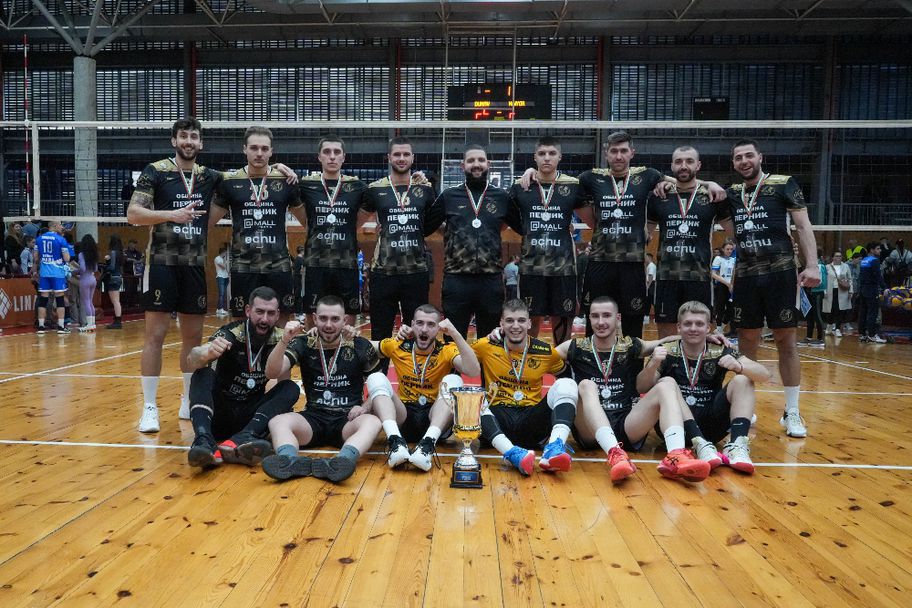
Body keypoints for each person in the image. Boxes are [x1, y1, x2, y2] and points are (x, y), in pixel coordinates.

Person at [126, 117, 224, 433]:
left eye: (194, 137)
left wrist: (280, 168)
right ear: (174, 141)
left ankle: (188, 399)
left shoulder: (210, 176)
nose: (189, 141)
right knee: (154, 336)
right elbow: (133, 214)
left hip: (194, 265)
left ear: (201, 143)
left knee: (193, 340)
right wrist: (172, 214)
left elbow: (247, 177)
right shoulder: (155, 171)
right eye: (183, 136)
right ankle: (149, 407)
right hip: (161, 263)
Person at [719, 139, 820, 438]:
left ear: (760, 157)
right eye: (738, 157)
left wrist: (812, 265)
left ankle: (792, 411)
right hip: (747, 275)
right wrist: (709, 183)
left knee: (786, 340)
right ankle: (746, 407)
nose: (744, 161)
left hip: (781, 273)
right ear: (734, 163)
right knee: (747, 341)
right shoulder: (732, 193)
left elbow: (803, 226)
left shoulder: (783, 184)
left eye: (749, 155)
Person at [556, 296, 711, 483]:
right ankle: (614, 453)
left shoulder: (631, 345)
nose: (601, 322)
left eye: (607, 315)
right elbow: (542, 356)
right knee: (586, 385)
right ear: (589, 319)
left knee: (667, 384)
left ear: (617, 318)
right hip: (588, 429)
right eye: (595, 316)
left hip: (626, 424)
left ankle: (676, 455)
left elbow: (668, 340)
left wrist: (705, 336)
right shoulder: (574, 347)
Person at [637, 301, 772, 475]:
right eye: (688, 324)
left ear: (708, 328)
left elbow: (765, 375)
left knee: (743, 379)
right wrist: (653, 364)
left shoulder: (720, 350)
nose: (693, 328)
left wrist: (739, 366)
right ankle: (698, 443)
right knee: (667, 382)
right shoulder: (666, 350)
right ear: (678, 327)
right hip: (676, 426)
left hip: (712, 427)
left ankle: (737, 445)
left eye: (699, 324)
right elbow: (641, 387)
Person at [261, 295, 382, 483]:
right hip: (313, 419)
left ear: (345, 320)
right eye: (323, 318)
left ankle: (342, 462)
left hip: (347, 419)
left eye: (335, 319)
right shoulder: (304, 343)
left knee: (372, 422)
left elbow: (380, 386)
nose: (329, 324)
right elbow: (271, 372)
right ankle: (289, 461)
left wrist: (364, 407)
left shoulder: (359, 345)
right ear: (315, 318)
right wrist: (284, 339)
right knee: (278, 421)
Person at [184, 286, 300, 469]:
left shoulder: (282, 338)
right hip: (219, 413)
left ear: (278, 315)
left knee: (290, 388)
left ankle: (244, 437)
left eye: (270, 313)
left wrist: (344, 334)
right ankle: (203, 440)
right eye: (259, 312)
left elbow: (313, 344)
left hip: (250, 417)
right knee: (201, 373)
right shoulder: (231, 333)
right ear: (248, 311)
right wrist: (206, 352)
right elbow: (192, 359)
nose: (264, 319)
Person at [365, 304, 480, 471]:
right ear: (412, 325)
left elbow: (473, 371)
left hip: (435, 417)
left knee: (454, 380)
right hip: (404, 417)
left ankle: (427, 445)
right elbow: (363, 347)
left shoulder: (446, 350)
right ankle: (395, 441)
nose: (424, 329)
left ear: (439, 328)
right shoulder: (397, 345)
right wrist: (347, 334)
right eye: (419, 323)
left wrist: (454, 333)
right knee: (376, 377)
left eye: (431, 324)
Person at [471, 299, 578, 476]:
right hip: (497, 420)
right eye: (509, 320)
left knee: (568, 384)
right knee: (471, 396)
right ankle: (511, 452)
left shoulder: (545, 352)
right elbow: (459, 361)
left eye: (521, 320)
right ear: (501, 323)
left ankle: (553, 450)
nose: (515, 326)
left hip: (531, 422)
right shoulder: (485, 345)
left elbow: (565, 377)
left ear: (529, 323)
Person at [209, 126, 304, 323]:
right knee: (241, 322)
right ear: (244, 149)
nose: (259, 153)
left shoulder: (285, 181)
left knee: (282, 320)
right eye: (254, 148)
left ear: (271, 151)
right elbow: (208, 221)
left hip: (278, 265)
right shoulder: (229, 182)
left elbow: (307, 221)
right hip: (243, 266)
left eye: (264, 148)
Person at [362, 136, 442, 368]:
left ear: (412, 158)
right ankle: (378, 382)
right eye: (397, 154)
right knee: (380, 333)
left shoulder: (425, 190)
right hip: (383, 272)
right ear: (389, 157)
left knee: (418, 331)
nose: (401, 158)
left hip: (415, 272)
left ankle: (414, 378)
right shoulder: (375, 189)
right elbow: (356, 220)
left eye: (406, 154)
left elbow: (435, 224)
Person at [432, 145, 520, 340]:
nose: (476, 164)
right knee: (452, 342)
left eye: (480, 160)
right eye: (471, 161)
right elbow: (426, 225)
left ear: (488, 164)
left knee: (490, 342)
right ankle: (454, 363)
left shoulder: (501, 197)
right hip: (456, 279)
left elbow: (523, 226)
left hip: (490, 280)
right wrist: (451, 231)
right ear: (463, 165)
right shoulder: (449, 196)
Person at [646, 145, 730, 338]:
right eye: (678, 162)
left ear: (698, 165)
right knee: (667, 340)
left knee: (699, 337)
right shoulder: (659, 196)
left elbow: (735, 233)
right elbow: (645, 235)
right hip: (666, 278)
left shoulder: (712, 196)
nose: (683, 166)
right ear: (672, 166)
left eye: (689, 161)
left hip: (699, 278)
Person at [509, 136, 586, 345]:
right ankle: (528, 359)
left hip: (564, 269)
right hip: (531, 268)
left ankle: (562, 363)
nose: (546, 158)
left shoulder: (573, 185)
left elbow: (593, 218)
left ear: (560, 157)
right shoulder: (520, 186)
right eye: (542, 153)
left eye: (552, 153)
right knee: (529, 319)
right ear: (534, 157)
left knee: (563, 319)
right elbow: (508, 220)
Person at [297, 135, 368, 320]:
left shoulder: (357, 186)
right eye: (327, 152)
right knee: (312, 314)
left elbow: (383, 200)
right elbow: (278, 185)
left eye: (337, 152)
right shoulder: (306, 185)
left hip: (347, 263)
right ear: (319, 156)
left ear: (343, 157)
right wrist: (279, 166)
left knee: (349, 315)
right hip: (315, 263)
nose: (332, 156)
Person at [35, 221, 71, 334]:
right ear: (54, 226)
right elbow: (67, 258)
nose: (62, 227)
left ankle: (41, 327)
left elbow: (35, 258)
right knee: (60, 299)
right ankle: (61, 327)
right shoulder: (61, 239)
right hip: (57, 273)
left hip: (44, 273)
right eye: (60, 225)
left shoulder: (39, 239)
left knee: (43, 299)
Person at [857, 242, 887, 343]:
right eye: (878, 249)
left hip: (863, 289)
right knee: (872, 313)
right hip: (871, 290)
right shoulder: (875, 261)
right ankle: (872, 335)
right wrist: (885, 287)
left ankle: (862, 334)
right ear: (871, 250)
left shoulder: (864, 260)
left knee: (863, 312)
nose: (880, 250)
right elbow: (878, 276)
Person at [823, 251, 852, 337]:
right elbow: (824, 280)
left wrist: (851, 291)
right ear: (832, 257)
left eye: (840, 256)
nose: (838, 257)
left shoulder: (846, 266)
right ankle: (829, 326)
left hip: (842, 291)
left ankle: (838, 329)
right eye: (836, 256)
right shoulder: (827, 267)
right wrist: (824, 291)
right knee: (831, 309)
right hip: (830, 291)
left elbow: (850, 279)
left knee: (840, 310)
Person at [74, 234, 99, 333]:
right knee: (90, 302)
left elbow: (82, 268)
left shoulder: (81, 254)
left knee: (86, 302)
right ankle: (92, 323)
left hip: (85, 280)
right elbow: (95, 269)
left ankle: (89, 324)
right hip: (93, 278)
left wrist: (74, 271)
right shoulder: (94, 254)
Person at [802, 251, 827, 347]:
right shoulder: (811, 267)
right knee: (810, 316)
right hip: (810, 293)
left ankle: (820, 339)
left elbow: (821, 282)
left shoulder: (820, 266)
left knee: (817, 315)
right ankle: (809, 337)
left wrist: (806, 283)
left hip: (817, 293)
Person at [711, 239, 736, 334]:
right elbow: (713, 274)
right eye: (727, 249)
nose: (729, 251)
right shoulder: (718, 259)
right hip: (722, 285)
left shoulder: (733, 260)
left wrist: (732, 284)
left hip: (732, 286)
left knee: (731, 309)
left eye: (731, 249)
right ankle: (718, 328)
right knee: (720, 307)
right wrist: (727, 283)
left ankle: (723, 326)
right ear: (723, 249)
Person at [104, 235, 125, 330]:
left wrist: (107, 262)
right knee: (117, 300)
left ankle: (117, 321)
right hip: (119, 277)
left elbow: (111, 267)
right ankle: (117, 320)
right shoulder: (120, 253)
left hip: (113, 277)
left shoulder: (113, 252)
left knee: (115, 301)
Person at [214, 244, 230, 317]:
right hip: (220, 277)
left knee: (223, 294)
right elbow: (223, 267)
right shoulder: (217, 258)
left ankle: (218, 309)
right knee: (222, 294)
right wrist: (226, 263)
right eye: (225, 253)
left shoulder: (223, 259)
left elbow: (226, 268)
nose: (225, 254)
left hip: (225, 277)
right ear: (222, 252)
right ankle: (220, 309)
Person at [644, 252, 656, 324]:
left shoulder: (651, 265)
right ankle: (646, 316)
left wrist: (648, 285)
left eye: (645, 257)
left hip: (651, 284)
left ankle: (655, 317)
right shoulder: (649, 266)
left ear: (649, 258)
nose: (644, 259)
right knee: (647, 301)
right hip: (650, 284)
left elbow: (651, 276)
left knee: (652, 301)